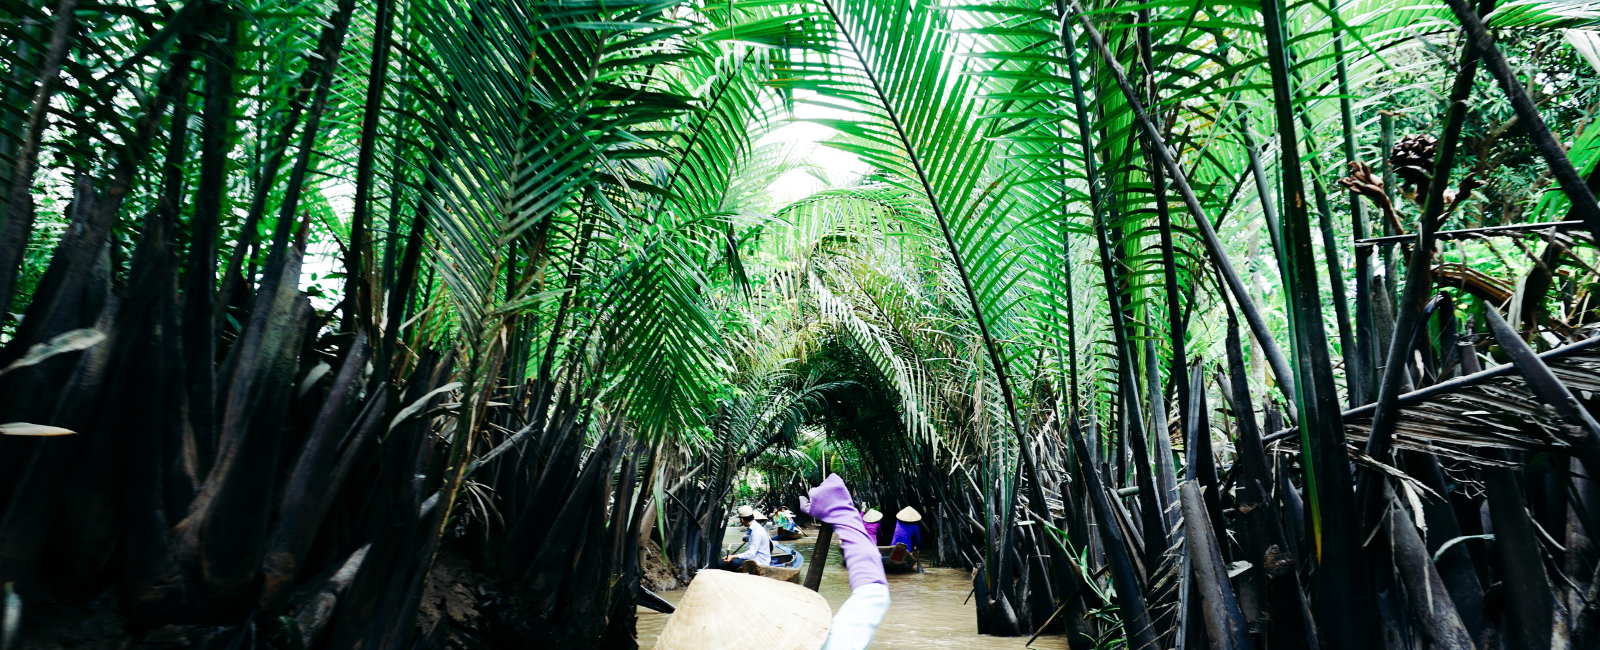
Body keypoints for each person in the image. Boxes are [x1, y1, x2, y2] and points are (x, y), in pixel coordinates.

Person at [655, 475, 890, 650]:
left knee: (721, 564)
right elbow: (874, 594)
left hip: (758, 561)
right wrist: (842, 514)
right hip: (759, 560)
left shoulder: (759, 529)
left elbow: (753, 554)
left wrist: (734, 557)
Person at [723, 505, 772, 570]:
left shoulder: (756, 531)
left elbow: (751, 553)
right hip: (754, 558)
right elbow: (747, 540)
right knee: (723, 563)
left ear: (742, 520)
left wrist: (732, 556)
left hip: (759, 562)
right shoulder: (752, 529)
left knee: (731, 563)